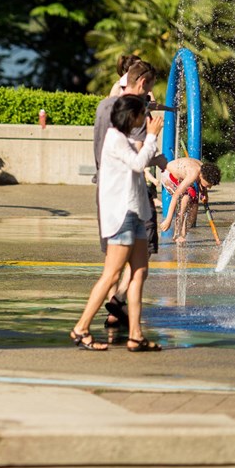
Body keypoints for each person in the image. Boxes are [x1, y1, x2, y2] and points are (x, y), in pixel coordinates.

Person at [72, 95, 164, 352]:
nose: (145, 119)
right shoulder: (114, 138)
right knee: (111, 274)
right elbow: (137, 163)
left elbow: (142, 154)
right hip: (122, 215)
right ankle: (81, 328)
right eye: (142, 114)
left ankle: (136, 335)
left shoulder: (124, 139)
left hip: (136, 213)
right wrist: (153, 136)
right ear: (131, 116)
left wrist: (152, 148)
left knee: (139, 273)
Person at [92, 60, 162, 336]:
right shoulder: (133, 111)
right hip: (130, 194)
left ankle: (120, 318)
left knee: (113, 258)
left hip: (104, 189)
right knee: (138, 262)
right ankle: (104, 315)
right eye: (150, 89)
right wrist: (155, 140)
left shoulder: (103, 106)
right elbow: (138, 154)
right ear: (143, 83)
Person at [160, 158, 221, 245]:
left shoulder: (203, 168)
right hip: (168, 175)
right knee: (186, 198)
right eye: (208, 185)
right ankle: (177, 234)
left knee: (193, 200)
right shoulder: (193, 173)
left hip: (180, 177)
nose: (209, 187)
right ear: (202, 176)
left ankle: (183, 232)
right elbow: (175, 196)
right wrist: (168, 220)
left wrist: (205, 194)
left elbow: (202, 185)